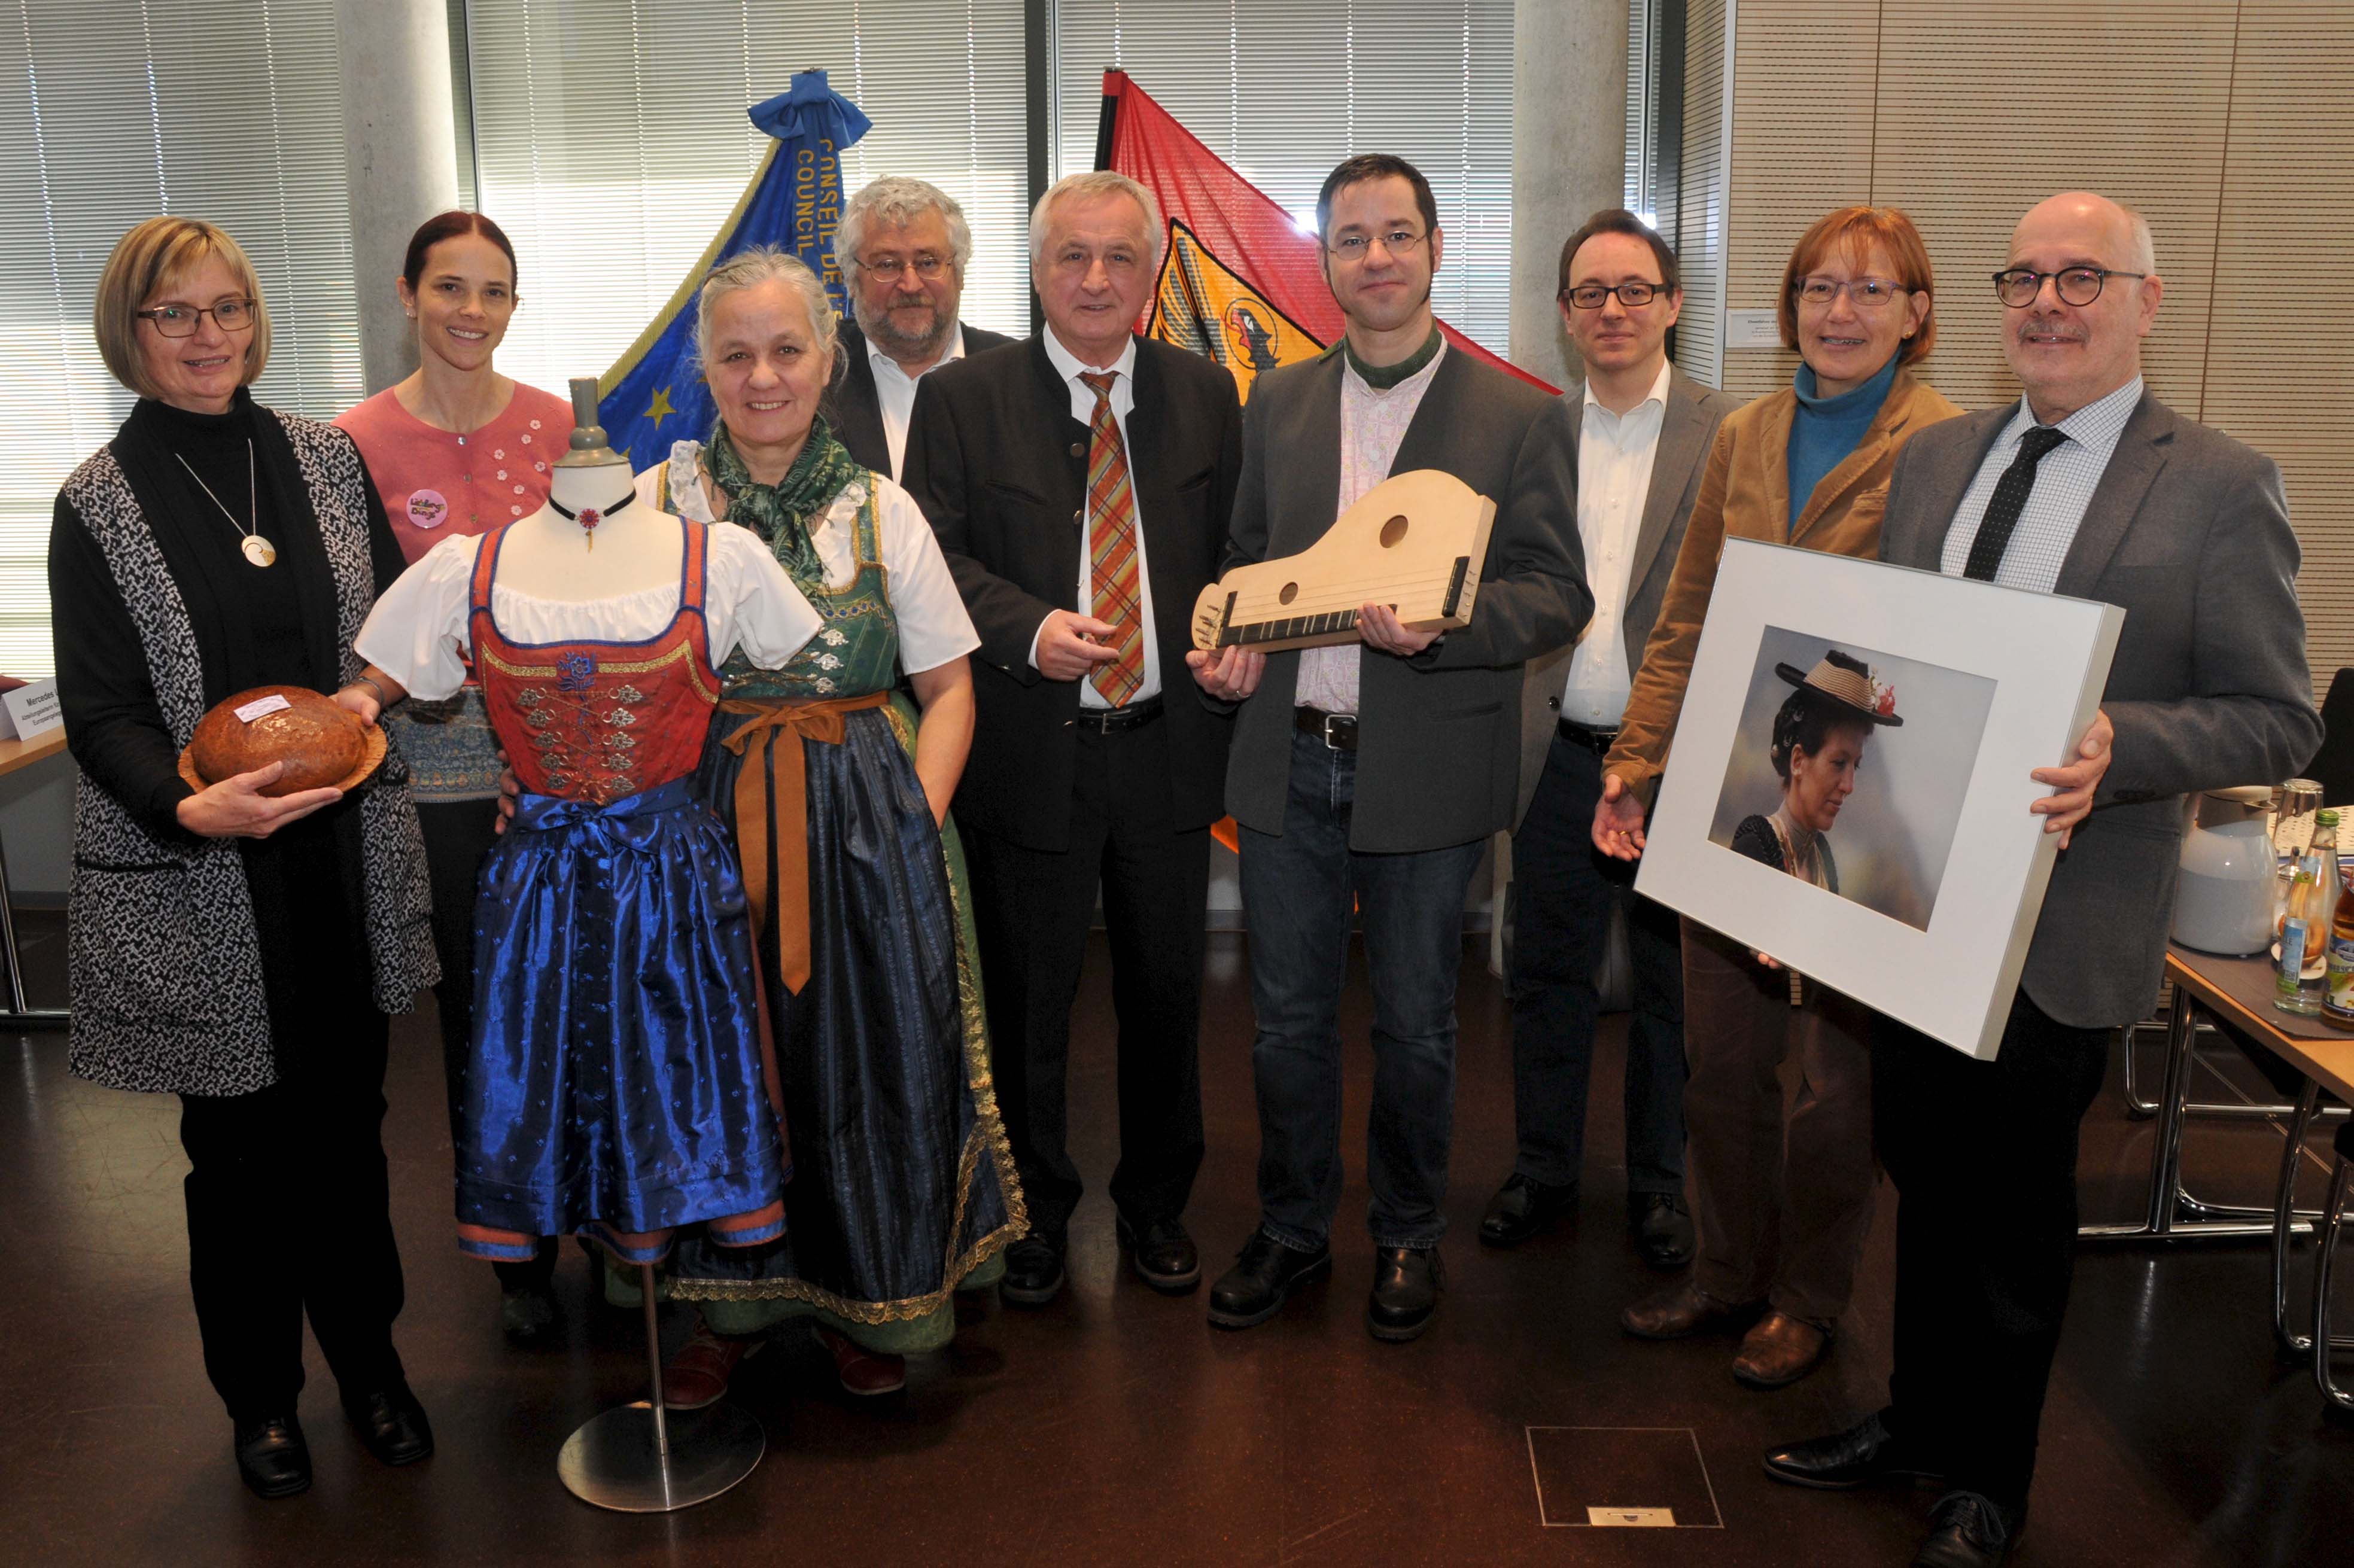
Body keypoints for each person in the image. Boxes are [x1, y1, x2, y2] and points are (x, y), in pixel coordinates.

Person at [1764, 192, 2320, 1568]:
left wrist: (2130, 740)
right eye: (2028, 275)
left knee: (2010, 1213)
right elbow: (1896, 666)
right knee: (1925, 1171)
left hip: (2066, 916)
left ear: (2148, 299)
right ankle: (1917, 1419)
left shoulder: (2220, 483)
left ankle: (1985, 1480)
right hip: (1916, 897)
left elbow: (2276, 716)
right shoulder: (1939, 458)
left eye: (2086, 277)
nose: (2050, 301)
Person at [49, 215, 439, 1500]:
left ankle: (373, 1367)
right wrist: (181, 802)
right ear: (132, 331)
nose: (206, 335)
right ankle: (260, 1397)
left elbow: (392, 629)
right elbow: (100, 707)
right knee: (236, 1161)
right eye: (175, 314)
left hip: (333, 861)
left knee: (349, 1132)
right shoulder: (96, 500)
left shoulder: (324, 462)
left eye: (225, 308)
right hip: (209, 876)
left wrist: (374, 697)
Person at [1190, 154, 1587, 1343]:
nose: (1375, 256)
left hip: (1423, 767)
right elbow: (1247, 555)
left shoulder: (1518, 413)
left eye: (1395, 234)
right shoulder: (1279, 400)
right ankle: (1293, 1226)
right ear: (1324, 259)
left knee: (1417, 1023)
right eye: (1351, 236)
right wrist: (1229, 639)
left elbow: (1554, 592)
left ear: (1432, 248)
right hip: (1286, 757)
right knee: (1284, 1023)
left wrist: (1452, 623)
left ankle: (1409, 1232)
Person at [637, 247, 1021, 1401]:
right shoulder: (655, 507)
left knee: (868, 1066)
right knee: (716, 1062)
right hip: (701, 822)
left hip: (867, 824)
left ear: (827, 357)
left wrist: (913, 819)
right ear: (703, 367)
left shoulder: (880, 505)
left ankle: (870, 1300)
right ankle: (724, 1309)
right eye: (736, 353)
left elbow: (950, 688)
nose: (763, 376)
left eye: (787, 349)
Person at [1596, 205, 1960, 1391]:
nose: (1837, 311)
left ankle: (1806, 1297)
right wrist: (1634, 756)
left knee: (1829, 1084)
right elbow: (1688, 609)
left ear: (1915, 314)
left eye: (1867, 290)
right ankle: (1722, 1269)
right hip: (1726, 788)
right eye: (1815, 287)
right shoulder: (1744, 432)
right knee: (1720, 1056)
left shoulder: (1949, 445)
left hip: (1861, 800)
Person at [904, 170, 1243, 1307]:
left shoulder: (1206, 391)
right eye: (1071, 258)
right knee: (1024, 1006)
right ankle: (1034, 1216)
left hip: (1164, 746)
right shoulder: (964, 400)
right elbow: (931, 561)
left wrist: (1236, 635)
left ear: (1149, 275)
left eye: (1118, 259)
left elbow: (1235, 553)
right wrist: (1024, 627)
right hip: (1029, 753)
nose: (1095, 280)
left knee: (1163, 999)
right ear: (1037, 271)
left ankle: (1154, 1208)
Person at [334, 211, 576, 1342]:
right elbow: (357, 624)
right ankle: (512, 1245)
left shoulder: (562, 425)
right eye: (449, 287)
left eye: (492, 291)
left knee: (576, 987)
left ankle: (609, 1213)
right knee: (480, 1006)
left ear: (514, 306)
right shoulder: (349, 440)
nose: (469, 311)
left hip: (561, 760)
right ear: (408, 293)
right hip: (429, 764)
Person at [1488, 208, 1733, 1268]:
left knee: (1674, 993)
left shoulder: (1730, 437)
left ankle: (1657, 1187)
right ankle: (1543, 1170)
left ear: (1673, 305)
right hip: (1554, 759)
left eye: (1635, 289)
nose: (1613, 310)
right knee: (1543, 977)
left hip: (1677, 767)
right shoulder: (1529, 435)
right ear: (1564, 315)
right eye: (1590, 293)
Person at [827, 175, 1013, 480]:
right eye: (887, 264)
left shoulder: (1017, 373)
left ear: (960, 273)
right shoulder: (812, 376)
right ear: (850, 279)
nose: (911, 285)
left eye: (928, 263)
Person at [1729, 651, 1902, 891]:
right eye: (1839, 763)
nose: (1849, 786)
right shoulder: (1755, 849)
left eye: (1856, 765)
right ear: (1798, 761)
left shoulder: (1823, 861)